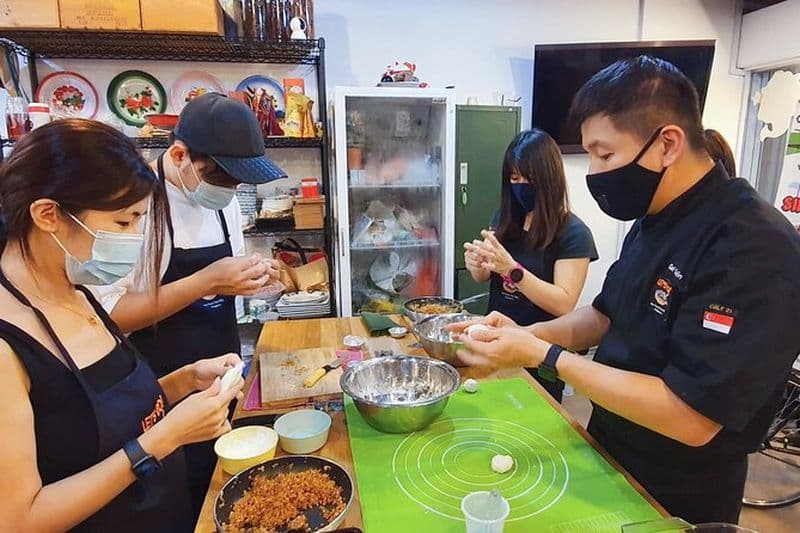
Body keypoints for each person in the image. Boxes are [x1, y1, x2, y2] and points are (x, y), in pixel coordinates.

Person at [450, 56, 800, 524]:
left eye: (605, 154)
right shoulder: (654, 220)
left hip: (677, 488)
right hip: (609, 445)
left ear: (668, 144)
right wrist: (527, 334)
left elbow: (691, 418)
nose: (593, 172)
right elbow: (603, 315)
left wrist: (542, 356)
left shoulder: (752, 244)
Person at [0, 119, 244, 532]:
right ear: (48, 215)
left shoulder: (78, 292)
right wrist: (165, 438)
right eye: (123, 223)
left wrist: (184, 381)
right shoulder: (9, 342)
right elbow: (19, 519)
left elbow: (92, 419)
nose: (134, 237)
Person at [91, 93, 284, 514]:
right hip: (159, 385)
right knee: (177, 496)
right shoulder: (133, 208)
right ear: (179, 154)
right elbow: (109, 316)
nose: (229, 191)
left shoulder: (221, 201)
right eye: (221, 178)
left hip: (219, 370)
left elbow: (218, 280)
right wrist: (206, 281)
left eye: (237, 182)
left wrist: (244, 279)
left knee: (225, 488)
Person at [463, 129, 598, 402]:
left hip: (539, 351)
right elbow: (484, 275)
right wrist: (477, 265)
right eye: (514, 178)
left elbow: (563, 303)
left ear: (549, 179)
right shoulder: (505, 218)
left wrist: (512, 269)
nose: (521, 185)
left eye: (529, 178)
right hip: (496, 339)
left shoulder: (573, 233)